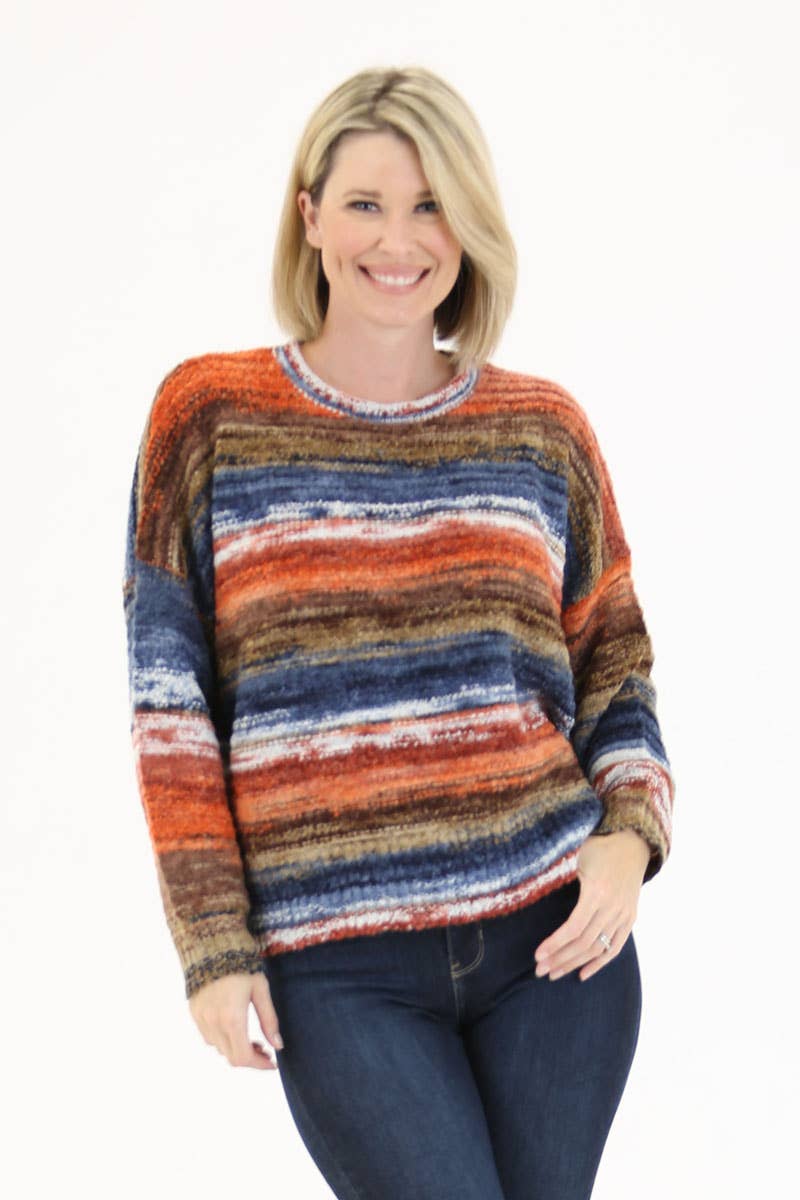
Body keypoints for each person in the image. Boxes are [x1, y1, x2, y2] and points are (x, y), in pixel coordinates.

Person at [123, 64, 675, 1200]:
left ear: (468, 225)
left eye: (431, 205)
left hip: (551, 942)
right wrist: (212, 945)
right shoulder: (209, 417)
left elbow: (616, 667)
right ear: (309, 216)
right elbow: (172, 713)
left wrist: (628, 840)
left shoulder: (541, 429)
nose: (398, 239)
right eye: (365, 203)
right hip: (337, 966)